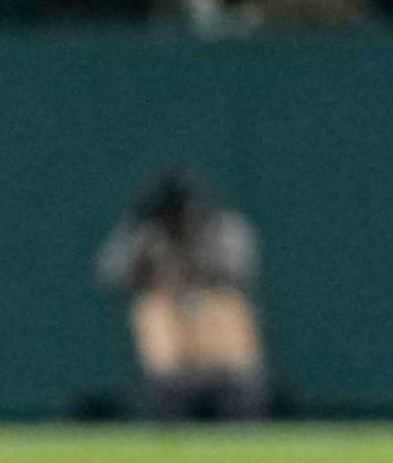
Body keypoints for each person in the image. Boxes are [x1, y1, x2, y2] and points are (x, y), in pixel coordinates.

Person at [94, 166, 267, 422]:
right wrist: (136, 237)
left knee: (226, 305)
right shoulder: (148, 231)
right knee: (152, 308)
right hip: (168, 309)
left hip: (211, 307)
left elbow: (241, 269)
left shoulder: (221, 227)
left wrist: (198, 273)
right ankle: (172, 400)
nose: (180, 215)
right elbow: (110, 272)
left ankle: (238, 401)